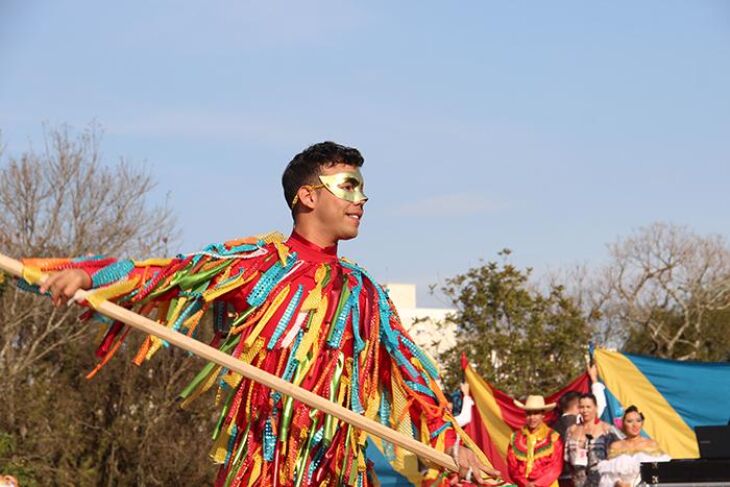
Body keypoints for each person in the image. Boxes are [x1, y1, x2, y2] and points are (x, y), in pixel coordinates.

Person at [21, 142, 498, 486]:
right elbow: (169, 273)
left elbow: (413, 378)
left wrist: (454, 445)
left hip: (338, 469)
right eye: (348, 187)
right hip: (261, 464)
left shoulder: (364, 291)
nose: (361, 200)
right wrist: (89, 277)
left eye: (362, 190)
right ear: (308, 196)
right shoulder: (254, 265)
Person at [596, 406, 669, 487]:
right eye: (630, 421)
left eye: (638, 421)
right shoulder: (616, 446)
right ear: (623, 424)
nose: (635, 425)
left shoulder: (651, 444)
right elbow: (608, 477)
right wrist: (617, 483)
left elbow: (661, 473)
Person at [565, 394, 621, 487]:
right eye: (582, 407)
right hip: (578, 482)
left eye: (588, 407)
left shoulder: (607, 429)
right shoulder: (571, 430)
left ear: (596, 408)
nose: (585, 410)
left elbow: (617, 458)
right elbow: (567, 459)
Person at [507, 395, 564, 487]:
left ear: (543, 415)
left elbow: (556, 467)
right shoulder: (516, 438)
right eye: (529, 413)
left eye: (536, 413)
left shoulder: (553, 437)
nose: (532, 417)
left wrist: (537, 484)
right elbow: (512, 466)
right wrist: (525, 483)